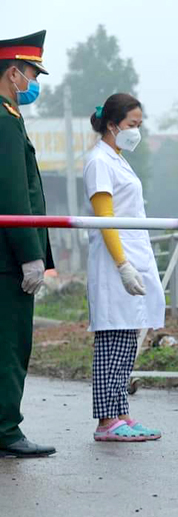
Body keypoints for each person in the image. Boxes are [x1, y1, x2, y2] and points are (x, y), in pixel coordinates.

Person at [83, 93, 165, 442]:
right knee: (112, 339)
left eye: (140, 126)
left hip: (132, 256)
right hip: (114, 261)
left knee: (127, 338)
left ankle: (121, 414)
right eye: (132, 125)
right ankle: (106, 421)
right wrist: (122, 265)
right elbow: (105, 218)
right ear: (113, 125)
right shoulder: (99, 161)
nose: (137, 132)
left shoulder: (117, 158)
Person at [0, 31, 57, 458]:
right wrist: (30, 255)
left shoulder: (10, 117)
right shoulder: (4, 120)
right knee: (10, 346)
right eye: (31, 73)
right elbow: (14, 195)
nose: (33, 82)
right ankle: (6, 430)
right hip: (6, 259)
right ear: (12, 72)